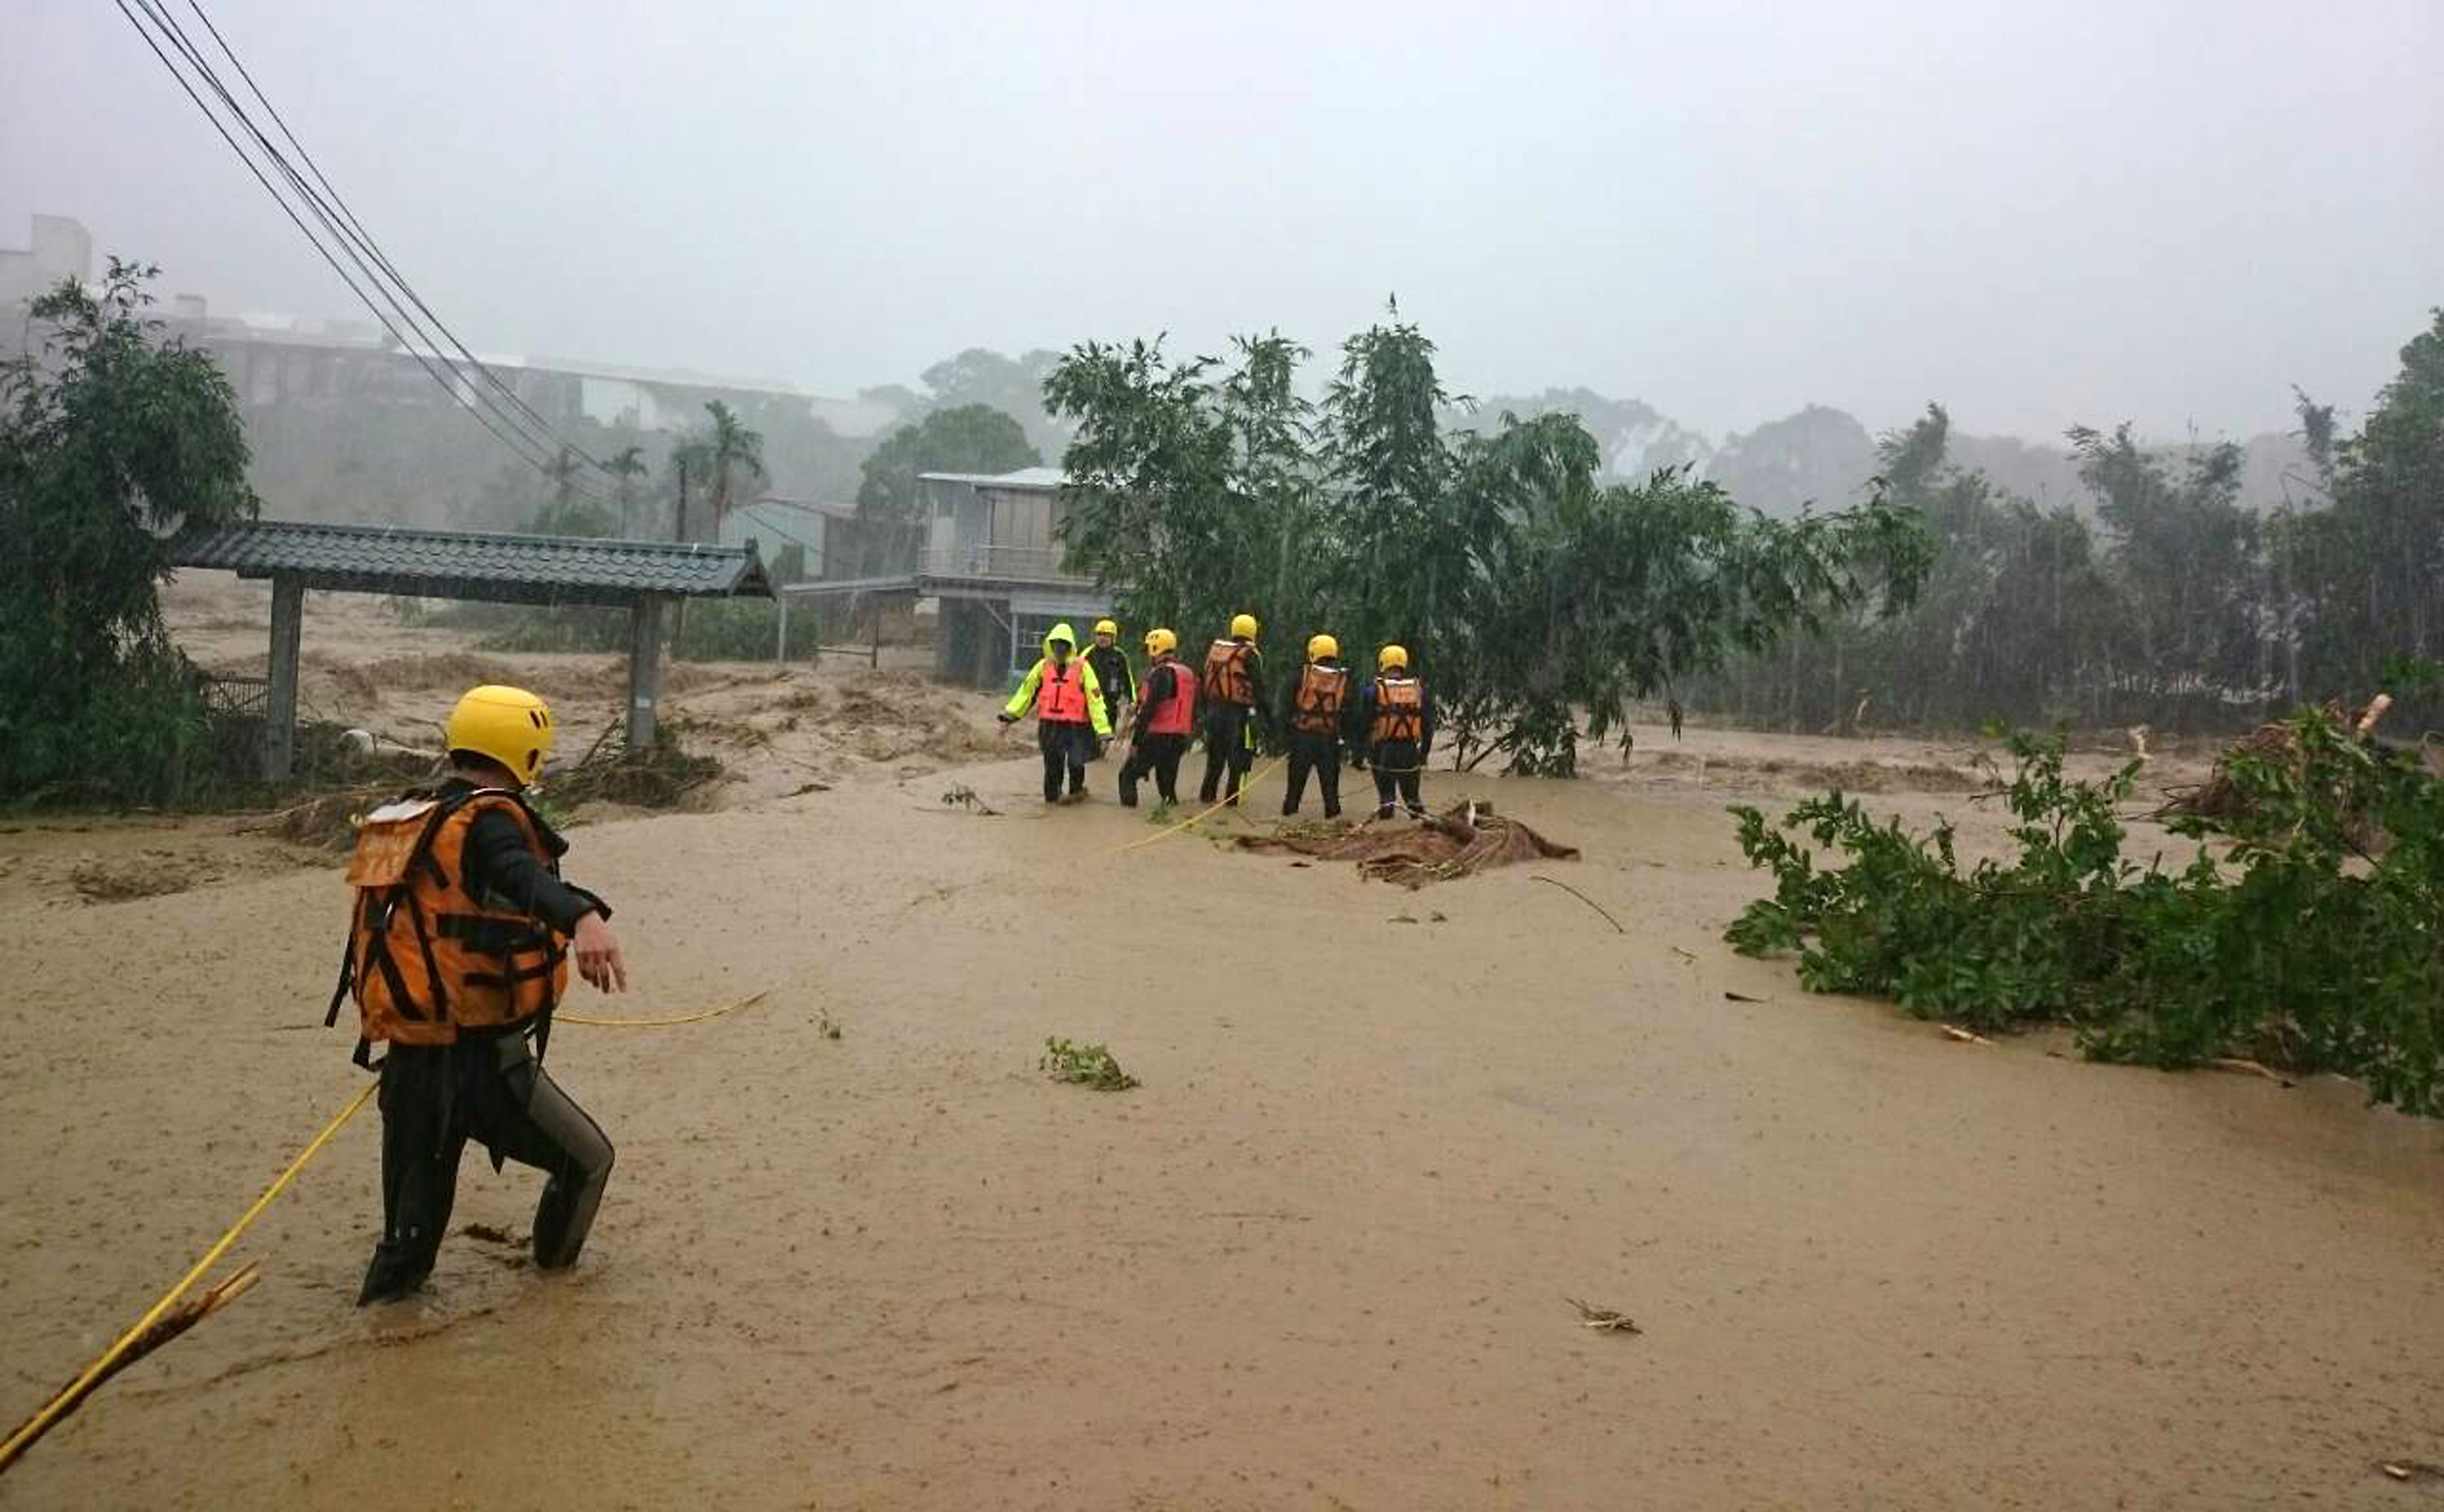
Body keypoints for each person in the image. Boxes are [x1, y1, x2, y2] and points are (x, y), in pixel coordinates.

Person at [333, 684, 624, 1306]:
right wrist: (583, 918)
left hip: (411, 1066)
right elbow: (518, 876)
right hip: (483, 1069)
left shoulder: (415, 815)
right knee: (589, 1163)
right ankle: (555, 1305)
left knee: (405, 1255)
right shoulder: (489, 822)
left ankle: (379, 1364)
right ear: (524, 750)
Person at [1000, 622, 1111, 803]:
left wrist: (1103, 732)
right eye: (1055, 644)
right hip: (1049, 725)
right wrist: (1009, 717)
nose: (1059, 648)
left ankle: (1076, 795)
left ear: (1070, 646)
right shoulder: (1042, 667)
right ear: (1050, 646)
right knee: (1052, 765)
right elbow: (1026, 693)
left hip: (1076, 726)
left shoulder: (1083, 667)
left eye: (1063, 644)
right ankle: (1052, 801)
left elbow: (1095, 701)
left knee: (1076, 764)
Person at [1197, 612, 1271, 807]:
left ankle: (1207, 795)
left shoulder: (1217, 651)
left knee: (1215, 758)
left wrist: (1203, 711)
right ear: (1253, 632)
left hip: (1213, 710)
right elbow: (1259, 688)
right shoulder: (1250, 655)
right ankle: (1231, 800)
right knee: (1236, 758)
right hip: (1237, 713)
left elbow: (1204, 680)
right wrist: (1267, 717)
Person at [1119, 626, 1197, 808]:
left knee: (1127, 776)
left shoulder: (1161, 674)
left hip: (1158, 737)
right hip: (1179, 738)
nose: (1148, 654)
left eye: (1149, 649)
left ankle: (1127, 820)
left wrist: (1136, 742)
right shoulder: (1186, 672)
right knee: (1167, 787)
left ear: (1156, 648)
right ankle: (1171, 818)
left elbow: (1149, 710)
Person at [1355, 644, 1435, 820]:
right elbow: (1428, 726)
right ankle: (1421, 829)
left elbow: (1363, 724)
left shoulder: (1373, 691)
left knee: (1387, 799)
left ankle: (1386, 826)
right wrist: (1424, 753)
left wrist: (1358, 754)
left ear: (1383, 663)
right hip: (1410, 751)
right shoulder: (1419, 690)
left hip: (1383, 751)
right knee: (1413, 799)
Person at [1279, 633, 1352, 819]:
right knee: (1330, 789)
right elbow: (1349, 710)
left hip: (1302, 737)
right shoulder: (1342, 678)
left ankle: (1290, 812)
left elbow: (1285, 706)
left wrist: (1286, 735)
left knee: (1294, 786)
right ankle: (1332, 814)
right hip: (1329, 738)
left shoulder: (1301, 674)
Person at [1082, 618, 1135, 752]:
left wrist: (1132, 700)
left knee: (1106, 736)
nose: (1102, 638)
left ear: (1113, 638)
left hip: (1110, 702)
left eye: (1107, 635)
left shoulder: (1119, 656)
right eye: (1099, 634)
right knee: (1088, 733)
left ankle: (1100, 753)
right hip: (1089, 701)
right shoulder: (1087, 654)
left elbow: (1127, 679)